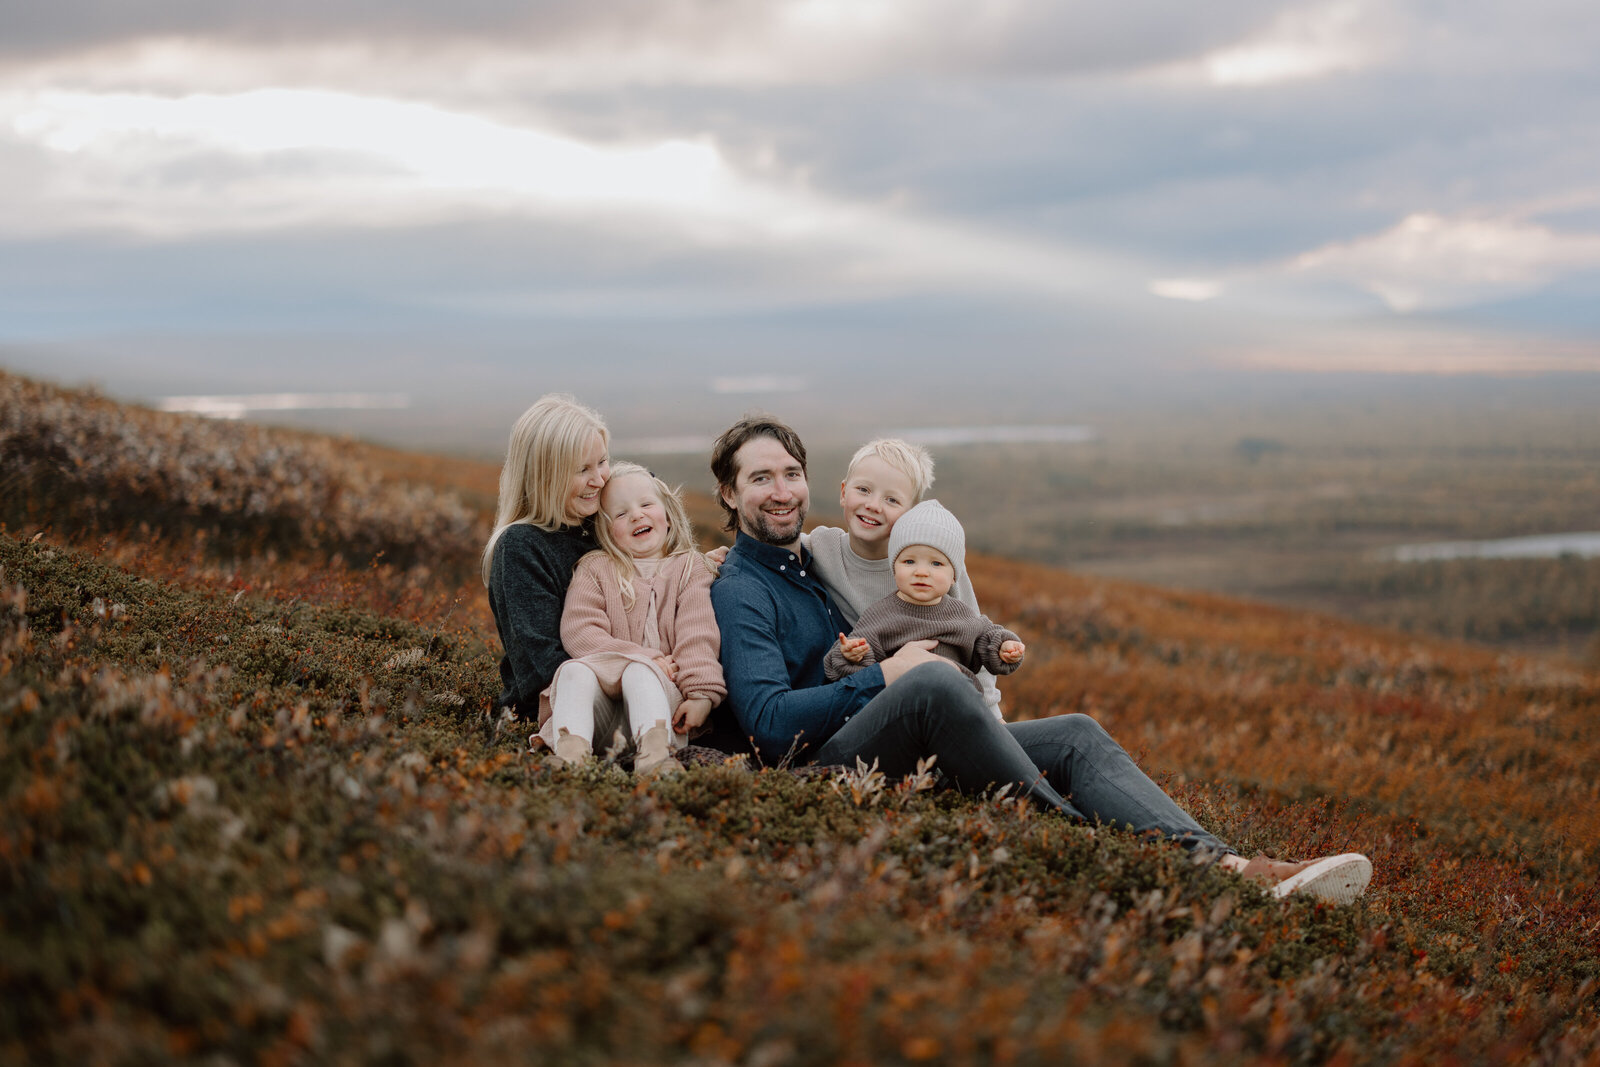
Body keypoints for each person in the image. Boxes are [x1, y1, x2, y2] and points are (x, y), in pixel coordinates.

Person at [706, 413, 1373, 904]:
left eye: (790, 474)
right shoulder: (743, 587)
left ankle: (1234, 868)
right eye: (760, 478)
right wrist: (887, 673)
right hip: (819, 768)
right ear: (730, 496)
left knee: (1075, 732)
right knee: (933, 680)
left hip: (892, 737)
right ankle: (1101, 847)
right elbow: (769, 724)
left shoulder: (810, 557)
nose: (781, 490)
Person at [540, 462, 725, 775]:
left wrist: (701, 694)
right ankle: (571, 757)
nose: (637, 516)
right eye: (621, 514)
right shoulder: (595, 568)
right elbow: (580, 630)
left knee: (640, 672)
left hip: (662, 710)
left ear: (668, 514)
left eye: (646, 505)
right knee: (573, 670)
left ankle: (654, 760)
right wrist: (643, 656)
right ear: (605, 530)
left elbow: (698, 634)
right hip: (602, 719)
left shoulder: (689, 568)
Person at [804, 438, 1005, 717]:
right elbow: (770, 546)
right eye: (863, 490)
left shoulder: (934, 566)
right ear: (843, 492)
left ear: (910, 514)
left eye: (892, 500)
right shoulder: (821, 547)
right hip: (886, 706)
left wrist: (993, 716)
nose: (873, 505)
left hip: (953, 700)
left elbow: (976, 636)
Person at [483, 393, 611, 730]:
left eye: (602, 461)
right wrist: (634, 678)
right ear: (544, 476)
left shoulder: (607, 522)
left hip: (634, 693)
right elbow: (544, 669)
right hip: (554, 716)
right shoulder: (521, 547)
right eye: (582, 470)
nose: (599, 479)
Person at [825, 499, 1025, 696]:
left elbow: (988, 637)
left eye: (936, 564)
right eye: (909, 561)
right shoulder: (880, 615)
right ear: (894, 568)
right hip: (902, 704)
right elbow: (860, 654)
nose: (921, 572)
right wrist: (852, 654)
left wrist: (1005, 647)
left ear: (954, 576)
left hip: (959, 702)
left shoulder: (962, 614)